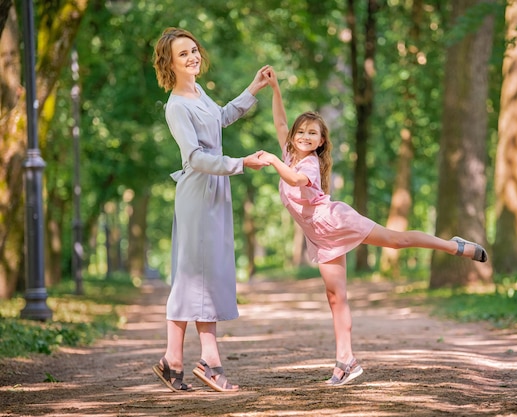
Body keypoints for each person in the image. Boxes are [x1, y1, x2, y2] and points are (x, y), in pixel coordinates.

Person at [259, 67, 488, 386]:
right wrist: (276, 89)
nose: (305, 136)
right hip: (319, 237)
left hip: (335, 220)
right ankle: (345, 361)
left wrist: (272, 161)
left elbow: (295, 179)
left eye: (313, 133)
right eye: (302, 132)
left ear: (322, 141)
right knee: (335, 297)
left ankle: (452, 245)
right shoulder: (289, 151)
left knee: (396, 241)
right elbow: (281, 122)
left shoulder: (306, 164)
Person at [151, 27, 270, 393]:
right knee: (199, 277)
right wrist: (241, 163)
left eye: (194, 50)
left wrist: (253, 89)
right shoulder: (176, 106)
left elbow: (220, 118)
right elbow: (197, 158)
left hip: (215, 190)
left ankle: (172, 361)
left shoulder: (199, 93)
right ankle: (210, 362)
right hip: (199, 192)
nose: (193, 57)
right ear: (170, 64)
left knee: (203, 275)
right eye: (183, 54)